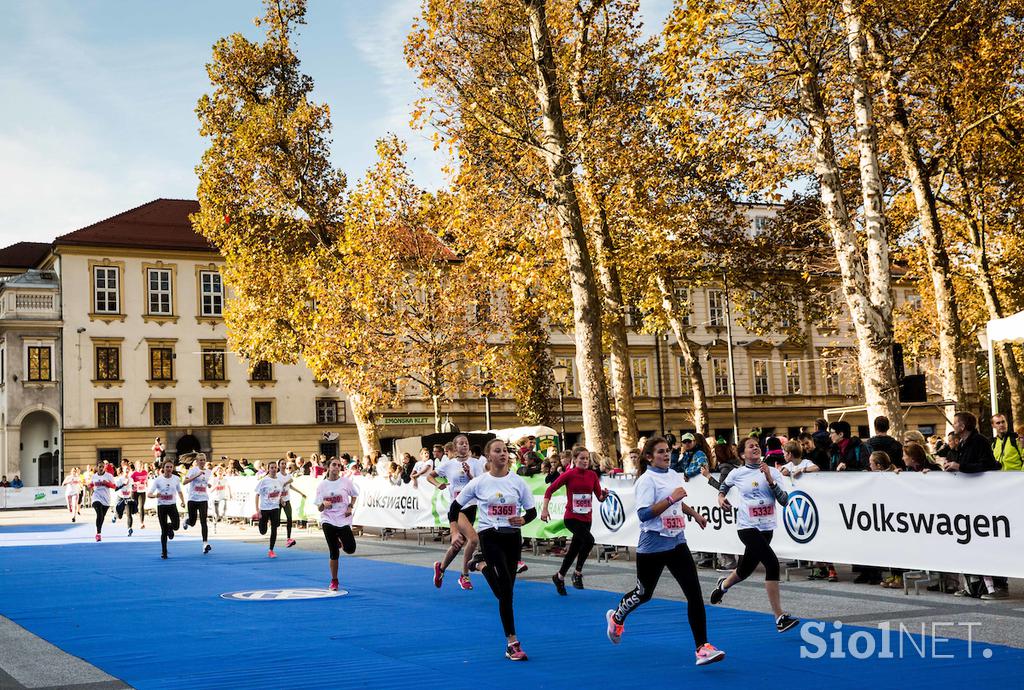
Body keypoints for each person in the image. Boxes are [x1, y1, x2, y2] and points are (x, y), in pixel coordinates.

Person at [605, 437, 726, 667]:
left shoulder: (672, 474)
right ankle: (617, 617)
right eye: (660, 452)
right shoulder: (646, 481)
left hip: (677, 541)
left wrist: (694, 514)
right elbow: (643, 514)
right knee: (644, 593)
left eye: (668, 451)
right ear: (649, 457)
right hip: (653, 543)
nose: (666, 455)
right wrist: (671, 498)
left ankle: (702, 647)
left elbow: (677, 504)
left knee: (694, 593)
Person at [451, 438, 537, 661]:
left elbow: (532, 512)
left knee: (505, 592)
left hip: (512, 537)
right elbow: (455, 508)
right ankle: (512, 643)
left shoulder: (517, 482)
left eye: (505, 451)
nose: (503, 454)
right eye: (497, 451)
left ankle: (479, 565)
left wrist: (523, 520)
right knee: (506, 590)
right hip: (490, 535)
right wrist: (454, 532)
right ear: (489, 456)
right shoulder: (479, 483)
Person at [709, 437, 800, 633]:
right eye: (751, 446)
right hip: (747, 527)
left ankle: (723, 585)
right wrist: (721, 496)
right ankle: (779, 617)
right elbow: (724, 485)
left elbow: (784, 501)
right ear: (742, 454)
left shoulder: (773, 471)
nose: (755, 448)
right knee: (772, 564)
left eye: (757, 445)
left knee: (746, 569)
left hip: (767, 527)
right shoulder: (738, 473)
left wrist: (769, 479)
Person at [541, 446, 608, 594]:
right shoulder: (569, 474)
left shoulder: (592, 475)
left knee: (573, 550)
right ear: (575, 460)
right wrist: (545, 509)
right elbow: (549, 490)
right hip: (571, 517)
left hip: (586, 518)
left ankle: (559, 576)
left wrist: (605, 495)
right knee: (589, 540)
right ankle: (577, 573)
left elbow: (599, 497)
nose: (585, 461)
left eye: (587, 458)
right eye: (582, 458)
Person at [429, 434, 486, 589]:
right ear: (455, 448)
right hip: (456, 508)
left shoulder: (475, 463)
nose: (465, 446)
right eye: (461, 444)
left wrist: (469, 475)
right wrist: (437, 484)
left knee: (458, 544)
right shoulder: (449, 464)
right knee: (473, 540)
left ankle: (440, 569)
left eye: (466, 443)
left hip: (471, 507)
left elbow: (480, 484)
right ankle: (464, 576)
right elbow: (430, 476)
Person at [316, 457, 360, 591]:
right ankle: (334, 580)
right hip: (328, 519)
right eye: (334, 465)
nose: (336, 467)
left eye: (339, 465)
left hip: (343, 519)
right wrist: (323, 504)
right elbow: (319, 507)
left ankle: (340, 540)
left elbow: (354, 495)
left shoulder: (346, 482)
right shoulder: (322, 485)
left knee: (350, 549)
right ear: (328, 467)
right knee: (334, 552)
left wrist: (350, 507)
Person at [148, 459, 185, 559]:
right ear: (163, 468)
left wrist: (182, 501)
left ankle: (170, 527)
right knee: (163, 531)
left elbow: (180, 491)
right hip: (162, 506)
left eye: (170, 467)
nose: (169, 469)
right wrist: (156, 495)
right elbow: (149, 494)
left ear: (173, 468)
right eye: (167, 467)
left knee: (176, 526)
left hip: (172, 505)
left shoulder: (176, 479)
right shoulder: (158, 480)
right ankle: (164, 552)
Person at [253, 460, 290, 558]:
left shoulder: (279, 481)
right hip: (264, 508)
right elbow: (257, 494)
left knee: (274, 528)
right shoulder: (264, 480)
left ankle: (271, 550)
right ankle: (262, 524)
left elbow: (279, 493)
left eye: (275, 468)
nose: (273, 469)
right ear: (268, 469)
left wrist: (281, 500)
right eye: (271, 468)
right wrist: (257, 510)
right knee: (263, 531)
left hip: (275, 508)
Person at [182, 453, 213, 554]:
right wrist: (196, 476)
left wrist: (207, 484)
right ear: (197, 461)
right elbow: (184, 482)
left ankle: (205, 544)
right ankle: (187, 521)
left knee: (204, 522)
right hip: (193, 499)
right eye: (200, 460)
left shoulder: (208, 471)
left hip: (203, 499)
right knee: (193, 522)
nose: (202, 462)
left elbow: (204, 481)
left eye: (204, 460)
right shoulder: (193, 470)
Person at [279, 459, 307, 548]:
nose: (284, 466)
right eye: (282, 464)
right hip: (278, 501)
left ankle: (288, 538)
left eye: (285, 465)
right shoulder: (277, 476)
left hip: (286, 500)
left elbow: (290, 484)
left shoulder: (288, 476)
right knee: (276, 523)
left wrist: (301, 493)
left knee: (289, 519)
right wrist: (280, 499)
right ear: (279, 465)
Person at [88, 462, 116, 542]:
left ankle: (99, 531)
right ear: (96, 467)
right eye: (100, 467)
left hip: (106, 499)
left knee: (102, 517)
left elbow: (114, 486)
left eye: (103, 467)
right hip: (96, 496)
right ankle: (98, 533)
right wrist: (89, 485)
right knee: (99, 512)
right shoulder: (94, 476)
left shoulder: (109, 476)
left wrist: (107, 483)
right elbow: (91, 485)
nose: (101, 468)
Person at [113, 464, 137, 536]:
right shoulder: (119, 479)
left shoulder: (131, 479)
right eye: (125, 469)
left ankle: (129, 528)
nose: (127, 470)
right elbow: (115, 489)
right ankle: (115, 515)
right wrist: (123, 485)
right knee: (120, 516)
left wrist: (134, 488)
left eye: (128, 469)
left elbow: (133, 488)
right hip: (120, 497)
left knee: (129, 515)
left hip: (128, 498)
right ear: (122, 470)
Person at [131, 462, 151, 529]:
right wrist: (136, 483)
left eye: (141, 465)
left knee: (141, 506)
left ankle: (142, 523)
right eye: (139, 465)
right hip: (135, 491)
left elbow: (146, 480)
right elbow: (130, 482)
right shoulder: (134, 473)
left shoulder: (145, 472)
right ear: (136, 466)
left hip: (142, 491)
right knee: (135, 507)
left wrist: (146, 483)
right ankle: (133, 516)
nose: (140, 467)